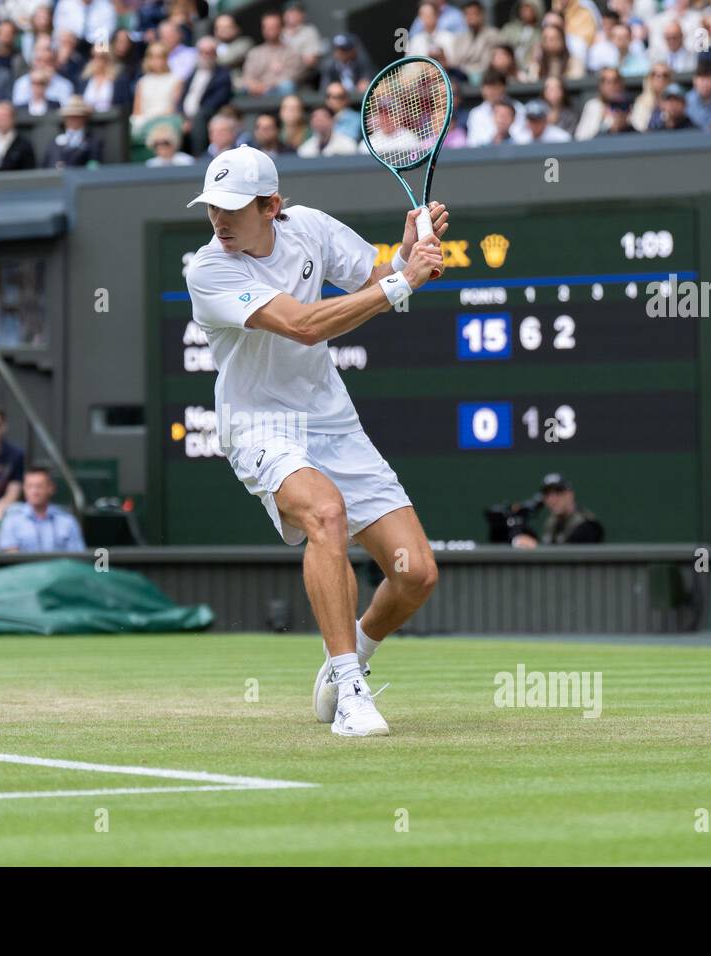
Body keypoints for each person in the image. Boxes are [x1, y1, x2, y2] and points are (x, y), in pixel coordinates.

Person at [183, 145, 444, 737]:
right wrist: (406, 281)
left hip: (331, 421)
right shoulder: (208, 268)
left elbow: (373, 281)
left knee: (416, 574)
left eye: (233, 208)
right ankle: (352, 691)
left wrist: (405, 255)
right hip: (258, 425)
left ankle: (347, 654)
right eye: (211, 208)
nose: (219, 221)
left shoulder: (313, 228)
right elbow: (303, 326)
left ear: (272, 206)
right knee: (325, 514)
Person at [0, 467, 85, 552]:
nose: (34, 491)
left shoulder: (67, 521)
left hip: (59, 566)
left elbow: (76, 557)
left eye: (39, 486)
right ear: (24, 489)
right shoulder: (12, 520)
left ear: (51, 488)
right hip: (25, 566)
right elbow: (11, 558)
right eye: (29, 486)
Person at [513, 473, 606, 547]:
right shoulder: (551, 522)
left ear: (570, 494)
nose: (552, 499)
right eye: (547, 494)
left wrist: (536, 548)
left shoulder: (587, 526)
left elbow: (571, 560)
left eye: (558, 492)